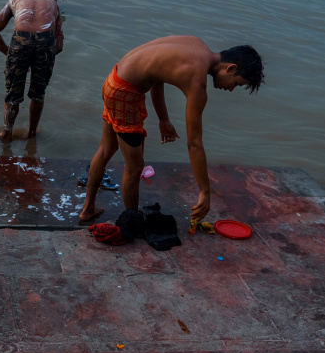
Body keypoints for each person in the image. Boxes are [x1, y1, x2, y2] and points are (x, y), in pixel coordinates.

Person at [79, 36, 264, 223]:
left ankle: (88, 210)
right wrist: (205, 192)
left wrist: (163, 119)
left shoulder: (197, 44)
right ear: (230, 68)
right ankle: (133, 223)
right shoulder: (197, 81)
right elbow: (194, 144)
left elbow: (156, 74)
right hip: (124, 93)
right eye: (236, 83)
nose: (231, 89)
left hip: (114, 79)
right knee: (134, 168)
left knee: (106, 149)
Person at [0, 0, 64, 141]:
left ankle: (7, 133)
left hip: (21, 38)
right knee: (38, 94)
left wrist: (10, 55)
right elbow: (59, 44)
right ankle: (32, 134)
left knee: (13, 93)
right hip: (46, 40)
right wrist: (44, 59)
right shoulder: (52, 3)